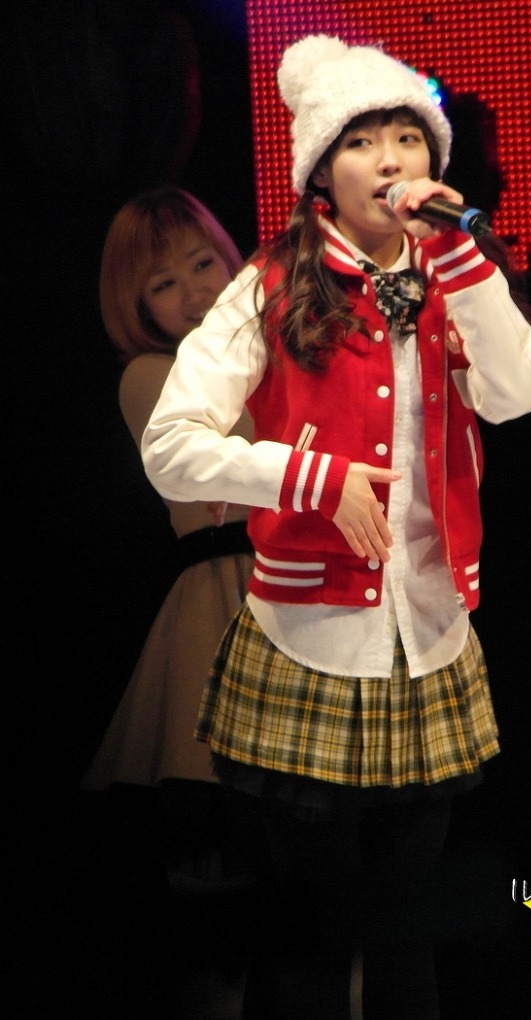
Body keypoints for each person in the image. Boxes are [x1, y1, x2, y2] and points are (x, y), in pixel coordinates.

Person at [141, 35, 531, 1020]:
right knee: (313, 949)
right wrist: (309, 478)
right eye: (362, 141)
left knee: (409, 940)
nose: (389, 159)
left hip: (431, 638)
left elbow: (524, 395)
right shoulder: (271, 280)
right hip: (311, 642)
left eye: (407, 138)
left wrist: (465, 262)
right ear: (321, 172)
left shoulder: (456, 270)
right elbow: (169, 445)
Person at [81, 187, 256, 880]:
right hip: (226, 593)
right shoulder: (151, 377)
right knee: (220, 830)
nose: (195, 292)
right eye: (164, 283)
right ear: (139, 305)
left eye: (203, 264)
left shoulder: (275, 349)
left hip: (308, 579)